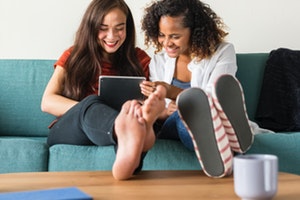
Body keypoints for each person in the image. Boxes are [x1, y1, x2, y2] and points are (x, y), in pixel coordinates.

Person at [41, 0, 166, 180]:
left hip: (117, 128)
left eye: (119, 28)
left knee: (140, 116)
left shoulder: (140, 59)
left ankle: (131, 148)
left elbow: (151, 101)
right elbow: (47, 102)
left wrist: (148, 100)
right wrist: (90, 111)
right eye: (103, 28)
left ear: (128, 28)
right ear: (91, 27)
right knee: (92, 102)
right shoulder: (73, 55)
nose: (112, 35)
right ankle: (124, 128)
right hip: (71, 129)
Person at [140, 0, 254, 178]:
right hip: (174, 122)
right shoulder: (159, 60)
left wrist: (173, 92)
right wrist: (161, 106)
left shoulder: (223, 52)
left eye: (175, 36)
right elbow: (161, 111)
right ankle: (234, 143)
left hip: (215, 115)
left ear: (194, 31)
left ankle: (225, 149)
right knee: (184, 116)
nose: (166, 43)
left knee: (196, 110)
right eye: (162, 35)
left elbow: (212, 99)